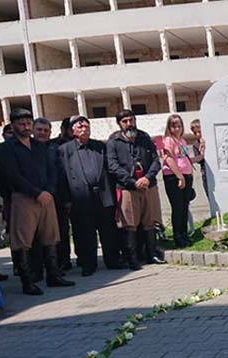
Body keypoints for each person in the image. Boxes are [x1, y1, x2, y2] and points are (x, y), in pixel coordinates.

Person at [0, 108, 75, 295]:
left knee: (51, 236)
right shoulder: (6, 149)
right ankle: (27, 281)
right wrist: (36, 193)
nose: (26, 127)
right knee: (23, 242)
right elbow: (13, 176)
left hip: (46, 197)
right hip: (24, 197)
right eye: (21, 124)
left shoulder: (40, 147)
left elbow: (52, 170)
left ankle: (53, 275)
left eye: (28, 123)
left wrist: (49, 191)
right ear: (13, 125)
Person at [59, 116, 122, 276]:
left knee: (108, 230)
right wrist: (66, 199)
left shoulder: (99, 146)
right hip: (80, 197)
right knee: (85, 233)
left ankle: (113, 260)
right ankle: (88, 264)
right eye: (80, 127)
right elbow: (62, 176)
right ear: (72, 131)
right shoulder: (64, 150)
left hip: (102, 195)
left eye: (86, 127)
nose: (84, 129)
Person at [107, 109, 164, 269]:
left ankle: (152, 254)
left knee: (150, 221)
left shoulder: (144, 138)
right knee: (129, 224)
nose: (129, 124)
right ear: (119, 124)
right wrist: (132, 182)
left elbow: (156, 161)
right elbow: (112, 166)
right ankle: (132, 259)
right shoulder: (113, 141)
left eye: (131, 120)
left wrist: (147, 178)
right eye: (125, 121)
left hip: (148, 186)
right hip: (128, 188)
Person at [34, 118, 72, 272]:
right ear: (33, 131)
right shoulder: (27, 149)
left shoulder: (56, 149)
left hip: (57, 198)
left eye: (46, 130)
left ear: (50, 133)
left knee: (60, 232)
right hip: (34, 197)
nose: (42, 133)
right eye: (39, 130)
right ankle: (38, 268)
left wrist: (66, 198)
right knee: (36, 235)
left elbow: (62, 174)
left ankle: (62, 264)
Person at [161, 114, 195, 248]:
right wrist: (180, 176)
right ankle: (178, 236)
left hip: (186, 175)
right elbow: (169, 159)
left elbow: (185, 158)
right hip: (174, 176)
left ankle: (184, 234)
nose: (177, 129)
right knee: (178, 207)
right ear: (169, 127)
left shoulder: (183, 141)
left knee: (185, 206)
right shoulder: (167, 141)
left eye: (179, 126)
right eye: (174, 126)